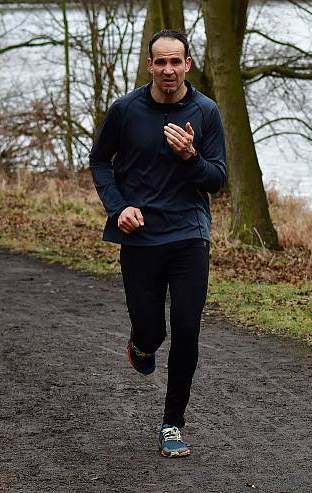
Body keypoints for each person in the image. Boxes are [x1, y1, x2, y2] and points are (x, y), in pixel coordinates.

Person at [88, 29, 226, 458]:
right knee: (153, 332)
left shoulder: (205, 112)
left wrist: (191, 158)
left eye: (176, 62)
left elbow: (217, 179)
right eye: (160, 62)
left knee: (187, 329)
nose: (169, 70)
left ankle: (172, 425)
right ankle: (141, 343)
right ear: (150, 65)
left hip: (189, 234)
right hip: (141, 236)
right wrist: (118, 207)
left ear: (188, 64)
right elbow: (99, 161)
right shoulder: (126, 110)